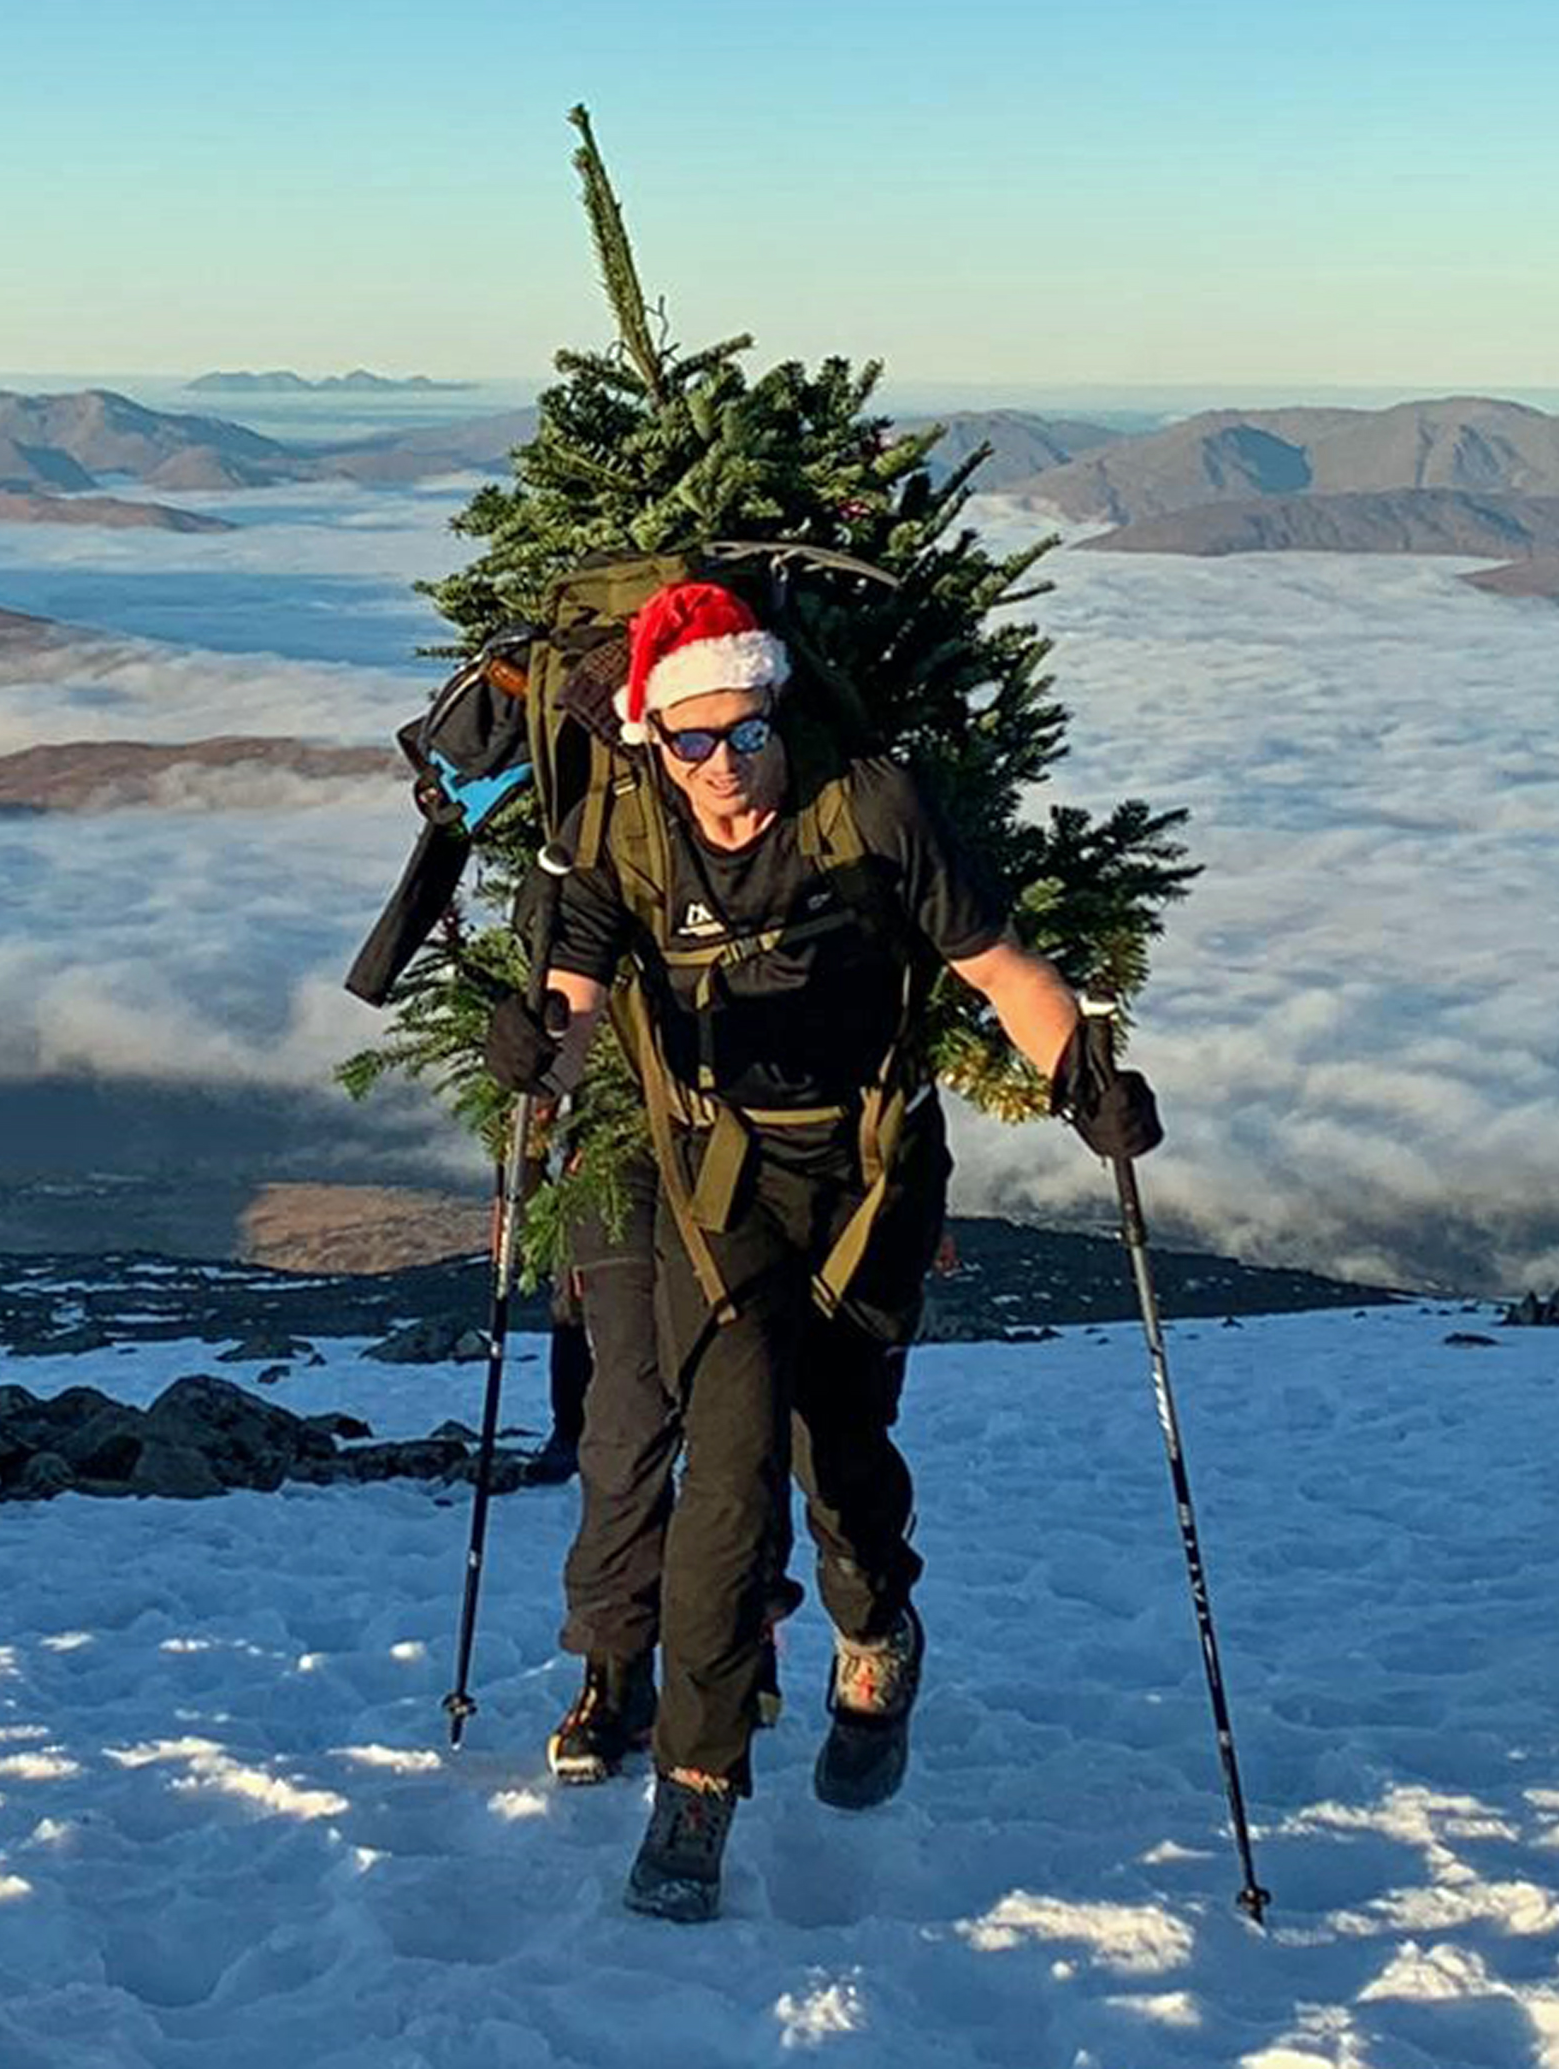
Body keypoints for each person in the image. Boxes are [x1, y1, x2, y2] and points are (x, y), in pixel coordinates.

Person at [482, 577, 1161, 1922]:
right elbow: (574, 994)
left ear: (781, 712)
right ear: (656, 741)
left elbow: (996, 965)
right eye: (696, 740)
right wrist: (540, 1056)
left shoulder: (874, 809)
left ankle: (875, 1633)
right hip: (714, 1194)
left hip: (867, 1183)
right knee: (725, 1488)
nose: (727, 764)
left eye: (749, 731)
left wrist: (1083, 1076)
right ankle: (696, 1793)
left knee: (840, 1459)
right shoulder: (628, 835)